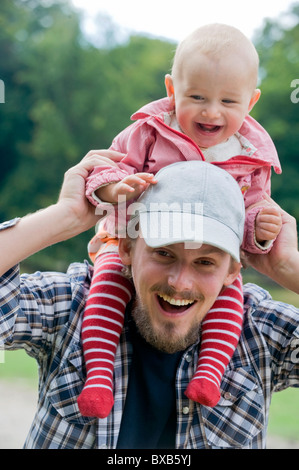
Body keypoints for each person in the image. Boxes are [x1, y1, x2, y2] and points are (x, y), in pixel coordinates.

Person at [1, 157, 299, 450]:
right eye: (164, 254)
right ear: (127, 248)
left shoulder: (261, 333)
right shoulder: (71, 308)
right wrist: (64, 217)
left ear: (233, 271)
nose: (180, 283)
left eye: (205, 262)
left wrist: (288, 267)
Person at [78, 23, 282, 418]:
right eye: (197, 96)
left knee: (229, 294)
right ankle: (99, 374)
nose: (211, 111)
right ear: (172, 90)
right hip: (131, 235)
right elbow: (104, 168)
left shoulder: (251, 154)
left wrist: (259, 231)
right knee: (106, 285)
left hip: (212, 247)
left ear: (251, 102)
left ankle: (210, 371)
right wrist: (113, 189)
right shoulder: (150, 132)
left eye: (228, 101)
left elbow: (253, 206)